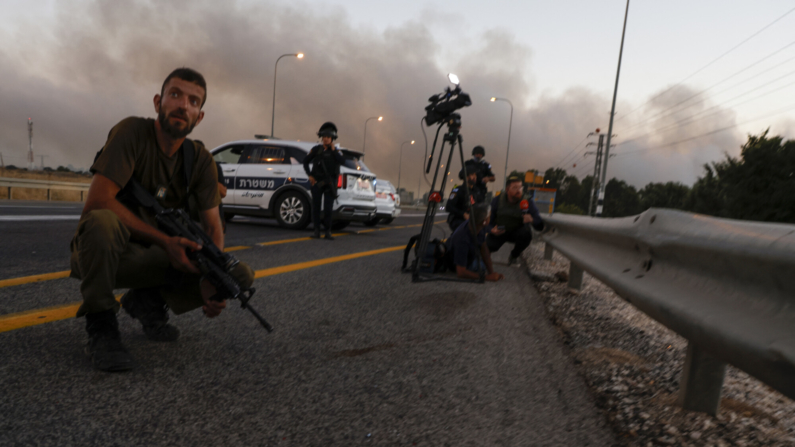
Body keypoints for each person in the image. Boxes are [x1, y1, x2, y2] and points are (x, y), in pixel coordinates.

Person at [70, 68, 255, 372]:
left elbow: (212, 227)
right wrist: (164, 241)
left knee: (238, 275)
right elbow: (97, 201)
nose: (183, 105)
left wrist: (212, 276)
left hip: (159, 259)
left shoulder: (201, 160)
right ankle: (101, 325)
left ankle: (147, 302)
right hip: (108, 255)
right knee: (102, 222)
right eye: (175, 95)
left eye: (194, 101)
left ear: (200, 116)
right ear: (158, 102)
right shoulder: (131, 133)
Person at [486, 174, 545, 266]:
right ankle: (484, 260)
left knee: (526, 234)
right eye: (515, 188)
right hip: (500, 231)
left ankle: (514, 256)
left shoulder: (528, 201)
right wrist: (491, 230)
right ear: (507, 190)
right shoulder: (497, 200)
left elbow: (540, 225)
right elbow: (488, 222)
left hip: (517, 233)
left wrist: (532, 220)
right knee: (485, 247)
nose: (519, 190)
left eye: (520, 187)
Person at [303, 122, 345, 240]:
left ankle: (328, 232)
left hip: (330, 183)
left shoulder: (336, 152)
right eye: (324, 137)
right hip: (316, 182)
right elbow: (305, 161)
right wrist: (310, 175)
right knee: (315, 207)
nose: (326, 139)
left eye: (328, 137)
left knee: (328, 209)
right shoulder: (316, 150)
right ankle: (316, 231)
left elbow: (342, 161)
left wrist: (334, 150)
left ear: (332, 138)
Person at [444, 202, 504, 281]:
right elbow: (461, 273)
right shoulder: (462, 239)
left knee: (484, 262)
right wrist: (487, 277)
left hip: (469, 255)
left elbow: (484, 250)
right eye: (489, 216)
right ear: (485, 221)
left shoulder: (479, 225)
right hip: (454, 263)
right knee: (480, 267)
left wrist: (491, 272)